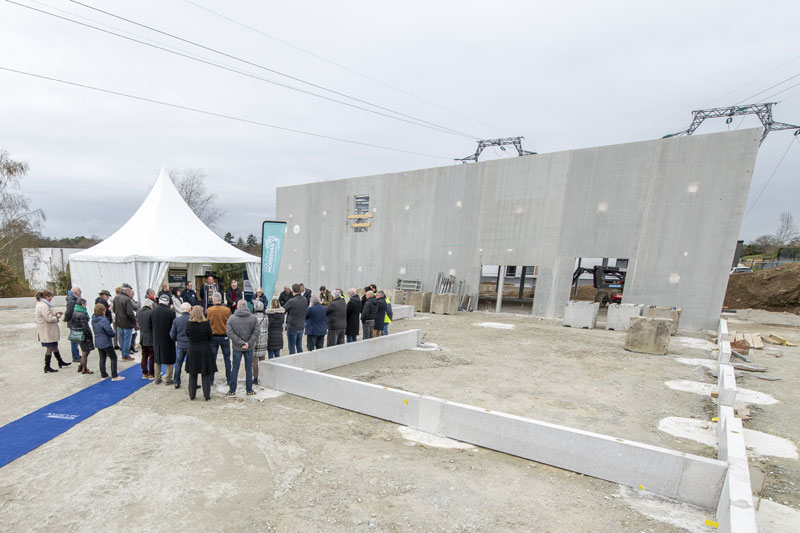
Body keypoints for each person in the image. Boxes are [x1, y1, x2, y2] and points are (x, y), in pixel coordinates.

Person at [226, 300, 260, 397]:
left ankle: (232, 390)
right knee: (248, 368)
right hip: (248, 347)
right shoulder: (253, 318)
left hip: (237, 347)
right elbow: (256, 332)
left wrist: (241, 343)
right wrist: (248, 343)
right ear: (246, 306)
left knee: (235, 368)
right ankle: (249, 389)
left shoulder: (232, 318)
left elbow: (229, 332)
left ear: (237, 306)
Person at [185, 305, 216, 401]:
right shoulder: (206, 324)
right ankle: (207, 395)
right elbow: (210, 337)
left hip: (193, 349)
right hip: (204, 349)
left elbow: (188, 336)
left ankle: (192, 394)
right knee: (205, 373)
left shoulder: (188, 324)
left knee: (193, 373)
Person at [35, 290, 69, 372]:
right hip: (47, 330)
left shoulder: (43, 304)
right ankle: (47, 366)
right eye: (50, 297)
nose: (51, 299)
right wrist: (57, 317)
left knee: (54, 345)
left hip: (48, 329)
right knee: (50, 347)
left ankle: (60, 361)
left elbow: (48, 314)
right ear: (46, 297)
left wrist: (56, 313)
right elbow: (49, 318)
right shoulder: (43, 306)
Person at [91, 302, 124, 380]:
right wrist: (113, 334)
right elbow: (108, 330)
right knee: (113, 357)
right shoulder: (103, 320)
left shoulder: (93, 319)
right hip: (105, 341)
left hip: (98, 340)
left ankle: (104, 374)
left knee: (102, 358)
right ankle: (114, 375)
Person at [207, 292, 232, 385]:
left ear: (214, 300)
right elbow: (230, 323)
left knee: (212, 359)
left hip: (213, 337)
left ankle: (210, 379)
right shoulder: (227, 310)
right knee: (227, 359)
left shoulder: (209, 310)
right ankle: (229, 379)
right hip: (224, 336)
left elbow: (207, 323)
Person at [151, 294, 177, 384]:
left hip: (156, 338)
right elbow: (174, 327)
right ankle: (168, 379)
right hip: (168, 338)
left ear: (159, 301)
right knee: (169, 359)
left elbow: (150, 325)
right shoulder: (171, 312)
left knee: (157, 358)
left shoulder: (153, 312)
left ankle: (157, 378)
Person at [68, 297, 95, 374]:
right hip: (84, 335)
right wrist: (89, 334)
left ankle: (81, 366)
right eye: (85, 303)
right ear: (82, 304)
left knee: (84, 352)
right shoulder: (82, 314)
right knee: (85, 352)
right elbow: (85, 327)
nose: (86, 305)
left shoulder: (75, 312)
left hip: (78, 334)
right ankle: (84, 368)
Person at [170, 302, 192, 389]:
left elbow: (172, 334)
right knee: (191, 364)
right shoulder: (191, 319)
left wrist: (177, 339)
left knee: (178, 364)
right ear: (189, 309)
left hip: (180, 344)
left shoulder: (176, 320)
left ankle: (176, 381)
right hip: (190, 344)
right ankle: (192, 382)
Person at [113, 283, 137, 362]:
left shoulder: (116, 298)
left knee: (122, 339)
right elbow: (130, 312)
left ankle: (124, 354)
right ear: (126, 290)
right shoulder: (127, 299)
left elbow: (114, 309)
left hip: (119, 321)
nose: (130, 292)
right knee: (127, 339)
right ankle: (125, 355)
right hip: (127, 322)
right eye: (129, 291)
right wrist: (134, 320)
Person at [284, 283, 307, 354]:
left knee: (291, 346)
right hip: (301, 325)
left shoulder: (292, 301)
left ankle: (292, 361)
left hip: (292, 326)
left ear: (292, 290)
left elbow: (283, 310)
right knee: (299, 345)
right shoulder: (305, 299)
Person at [252, 300, 268, 385]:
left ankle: (255, 378)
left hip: (255, 339)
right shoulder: (266, 317)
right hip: (264, 339)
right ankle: (263, 376)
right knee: (262, 359)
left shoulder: (253, 317)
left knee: (254, 360)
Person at [138, 298, 155, 379]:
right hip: (150, 336)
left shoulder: (139, 312)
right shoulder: (151, 313)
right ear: (150, 305)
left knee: (144, 355)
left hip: (142, 336)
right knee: (152, 356)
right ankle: (151, 373)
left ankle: (144, 373)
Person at [64, 286, 82, 362]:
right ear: (76, 292)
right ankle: (75, 356)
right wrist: (66, 319)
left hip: (74, 321)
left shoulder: (73, 299)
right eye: (80, 291)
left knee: (76, 339)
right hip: (73, 322)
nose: (81, 293)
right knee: (74, 340)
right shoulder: (72, 301)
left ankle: (76, 355)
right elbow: (69, 312)